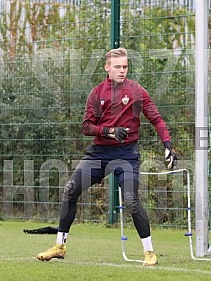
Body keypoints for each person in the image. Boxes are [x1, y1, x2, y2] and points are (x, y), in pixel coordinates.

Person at [36, 47, 177, 266]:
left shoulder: (137, 91)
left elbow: (156, 119)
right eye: (118, 67)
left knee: (131, 200)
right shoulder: (97, 93)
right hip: (99, 153)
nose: (122, 71)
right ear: (107, 68)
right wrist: (108, 131)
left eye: (125, 66)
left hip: (126, 154)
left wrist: (167, 145)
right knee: (70, 190)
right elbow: (86, 126)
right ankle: (59, 246)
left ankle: (149, 253)